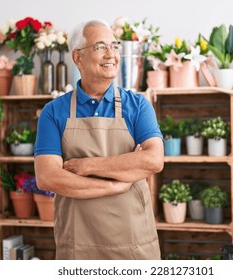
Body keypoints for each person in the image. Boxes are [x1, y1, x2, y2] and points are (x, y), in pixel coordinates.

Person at [34, 19, 164, 260]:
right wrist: (113, 185)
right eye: (101, 46)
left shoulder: (137, 106)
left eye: (114, 46)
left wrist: (87, 166)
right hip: (78, 247)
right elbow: (47, 177)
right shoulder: (54, 112)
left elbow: (153, 161)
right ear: (78, 58)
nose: (111, 54)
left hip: (133, 244)